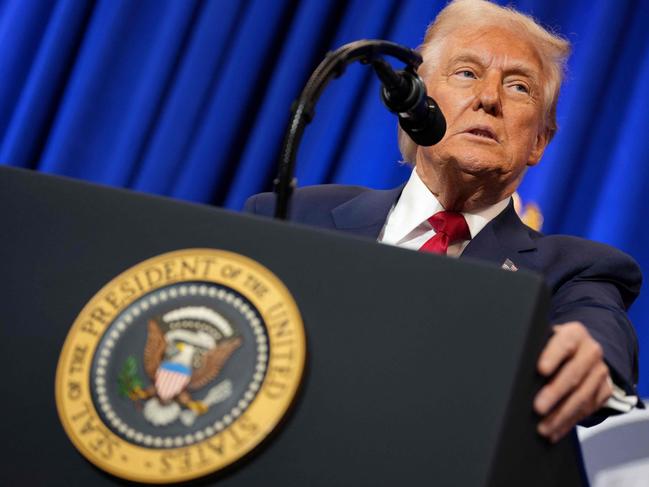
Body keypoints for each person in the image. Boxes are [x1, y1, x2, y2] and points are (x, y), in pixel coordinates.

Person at [245, 0, 642, 443]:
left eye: (518, 87)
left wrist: (590, 357)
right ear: (413, 104)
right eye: (467, 73)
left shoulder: (574, 271)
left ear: (539, 142)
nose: (489, 98)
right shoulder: (294, 217)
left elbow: (600, 335)